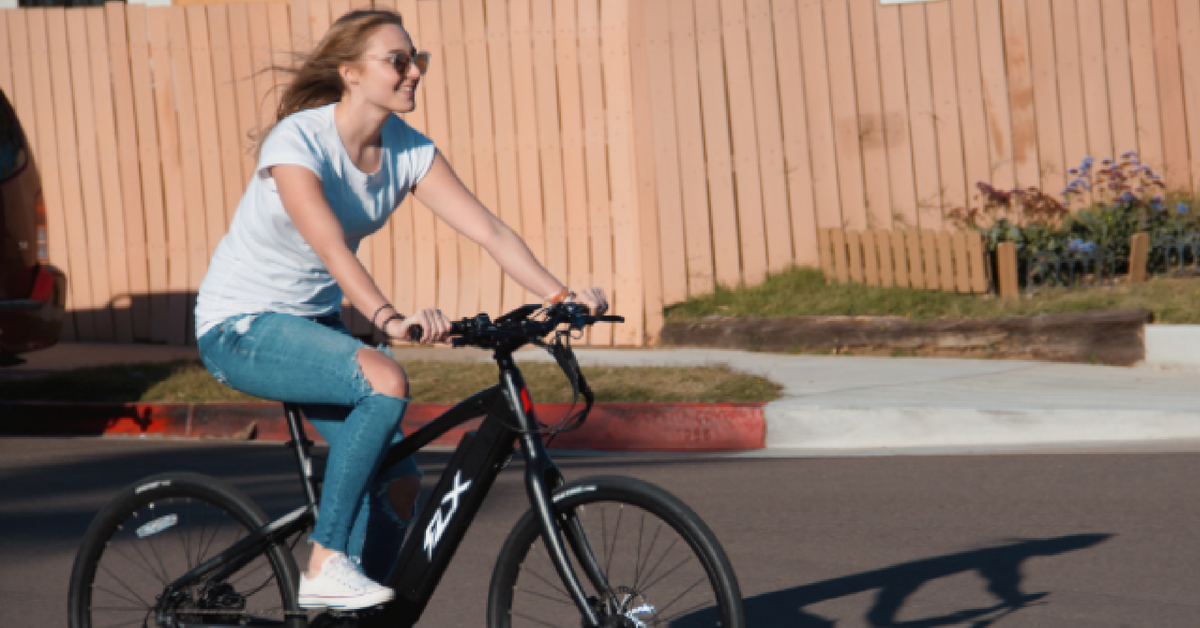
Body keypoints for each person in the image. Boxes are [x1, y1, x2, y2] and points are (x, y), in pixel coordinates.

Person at [194, 9, 608, 611]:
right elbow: (332, 248)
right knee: (385, 378)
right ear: (351, 73)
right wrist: (390, 320)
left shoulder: (408, 151)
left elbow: (489, 230)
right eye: (398, 61)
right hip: (242, 327)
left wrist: (561, 299)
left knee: (399, 484)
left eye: (418, 60)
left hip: (313, 326)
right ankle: (325, 560)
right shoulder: (298, 142)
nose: (414, 72)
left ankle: (356, 617)